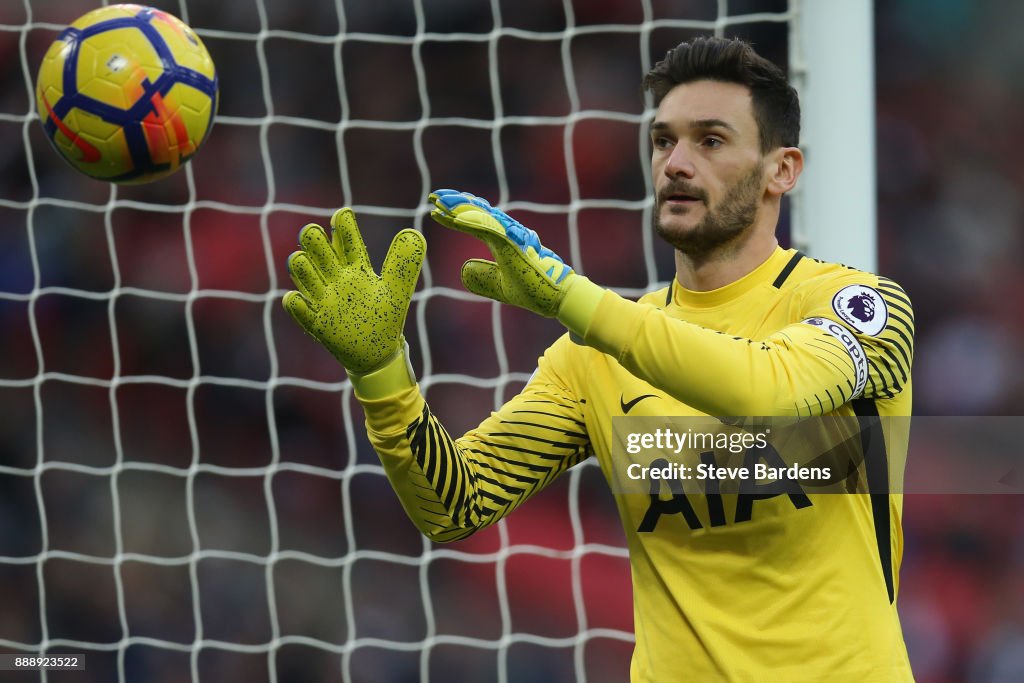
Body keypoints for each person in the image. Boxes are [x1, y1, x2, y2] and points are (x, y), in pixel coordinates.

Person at [283, 37, 915, 682]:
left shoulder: (862, 308)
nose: (677, 163)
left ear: (783, 169)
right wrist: (381, 374)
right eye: (664, 140)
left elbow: (763, 390)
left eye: (712, 141)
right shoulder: (594, 355)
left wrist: (569, 297)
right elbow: (455, 504)